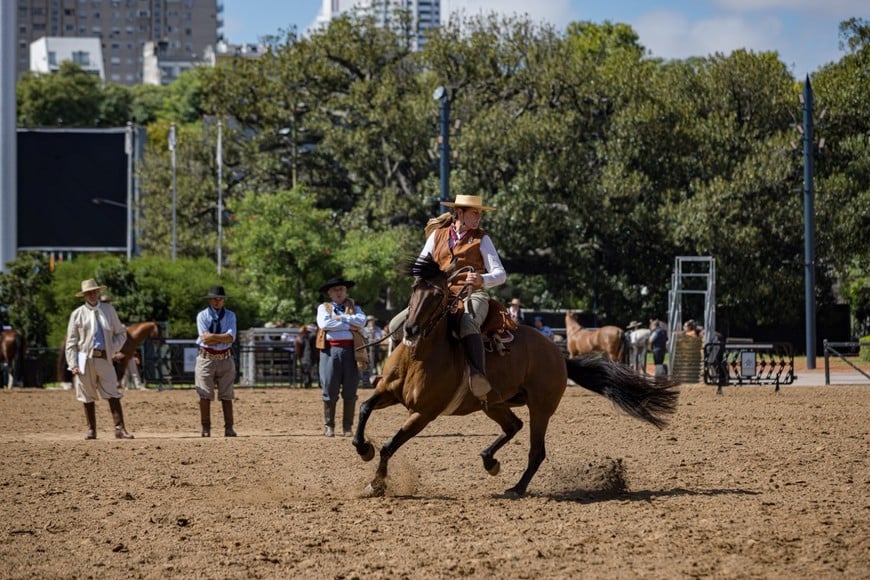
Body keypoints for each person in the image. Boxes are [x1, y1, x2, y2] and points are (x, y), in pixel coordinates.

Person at [387, 194, 506, 401]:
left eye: (479, 213)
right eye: (474, 213)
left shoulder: (482, 238)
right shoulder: (437, 236)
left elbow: (501, 274)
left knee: (468, 323)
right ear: (459, 213)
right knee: (396, 326)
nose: (478, 217)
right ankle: (396, 371)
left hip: (473, 294)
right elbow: (419, 267)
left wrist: (481, 279)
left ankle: (478, 374)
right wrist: (426, 285)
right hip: (437, 296)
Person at [64, 279, 134, 440]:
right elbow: (71, 342)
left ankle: (119, 429)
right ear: (84, 296)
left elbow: (121, 333)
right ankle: (91, 430)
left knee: (113, 392)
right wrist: (73, 363)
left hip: (104, 357)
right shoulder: (77, 314)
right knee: (86, 393)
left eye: (95, 291)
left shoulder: (109, 310)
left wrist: (113, 348)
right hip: (84, 358)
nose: (93, 295)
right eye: (89, 293)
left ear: (99, 292)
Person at [317, 276, 366, 437]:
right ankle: (329, 426)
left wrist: (341, 318)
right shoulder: (324, 308)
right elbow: (325, 325)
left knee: (351, 390)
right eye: (335, 290)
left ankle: (347, 427)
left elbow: (362, 321)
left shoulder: (355, 307)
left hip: (352, 352)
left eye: (342, 289)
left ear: (346, 291)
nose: (339, 292)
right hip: (330, 352)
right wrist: (349, 325)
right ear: (329, 293)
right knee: (330, 388)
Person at [195, 285, 238, 437]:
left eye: (220, 299)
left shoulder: (231, 316)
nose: (217, 301)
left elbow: (231, 337)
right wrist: (223, 337)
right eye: (214, 298)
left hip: (225, 358)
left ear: (223, 300)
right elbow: (204, 338)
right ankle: (206, 428)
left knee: (227, 394)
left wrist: (213, 337)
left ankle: (229, 427)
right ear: (209, 300)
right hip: (206, 358)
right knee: (204, 394)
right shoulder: (202, 316)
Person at [293, 324, 317, 388]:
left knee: (305, 369)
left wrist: (299, 354)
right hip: (312, 355)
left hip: (305, 355)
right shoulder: (314, 336)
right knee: (308, 369)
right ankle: (309, 382)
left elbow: (298, 345)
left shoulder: (303, 337)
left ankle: (307, 383)